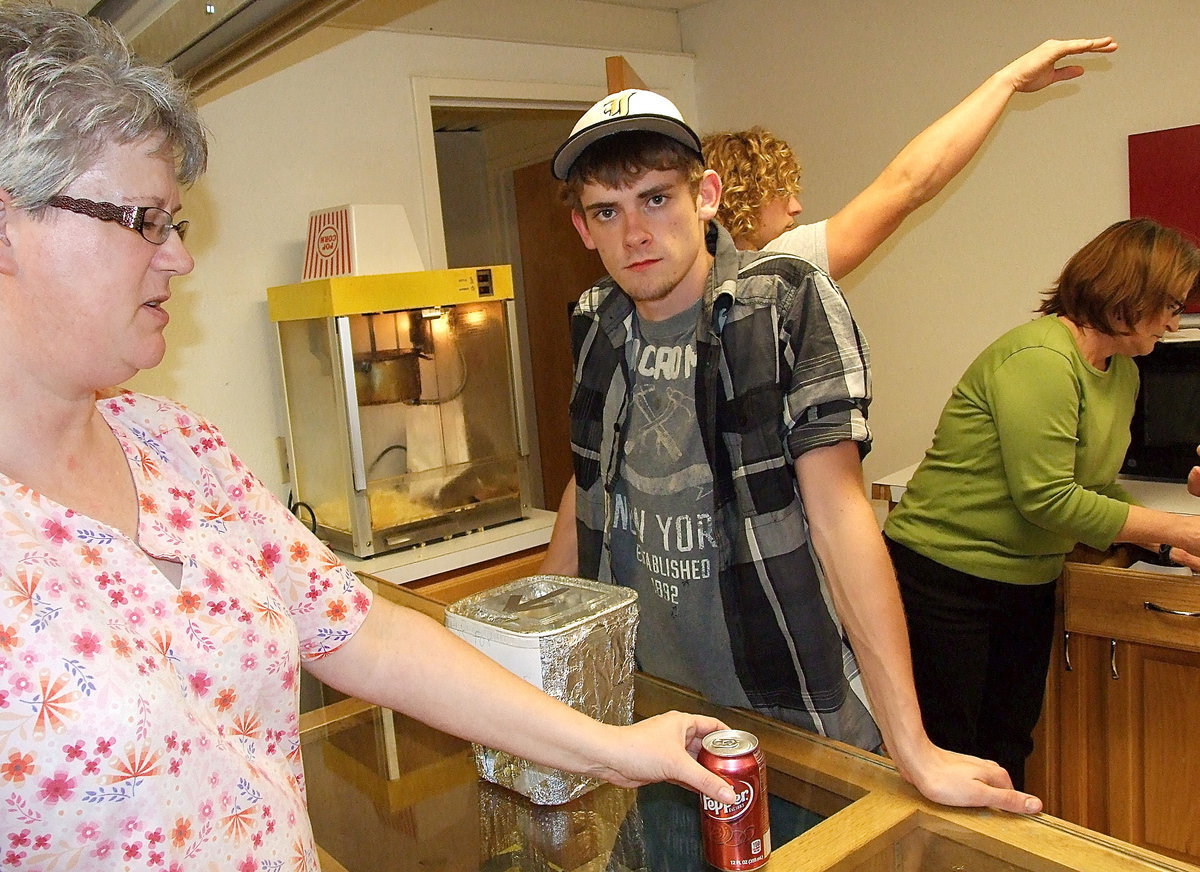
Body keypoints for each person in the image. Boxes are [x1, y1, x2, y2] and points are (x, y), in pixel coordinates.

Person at [0, 6, 737, 868]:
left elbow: (365, 634)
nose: (178, 259)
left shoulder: (178, 450)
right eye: (143, 221)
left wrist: (612, 747)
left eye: (177, 223)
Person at [542, 88, 1040, 814]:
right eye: (607, 212)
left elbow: (840, 518)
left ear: (705, 195)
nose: (634, 234)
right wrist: (529, 657)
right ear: (584, 229)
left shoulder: (780, 304)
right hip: (655, 725)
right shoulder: (595, 320)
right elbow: (587, 487)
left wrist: (913, 745)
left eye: (655, 199)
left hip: (794, 729)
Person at [882, 218, 1200, 791]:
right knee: (951, 751)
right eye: (1168, 305)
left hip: (1026, 579)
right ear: (1127, 296)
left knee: (1008, 743)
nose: (1175, 322)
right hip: (944, 579)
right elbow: (1047, 500)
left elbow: (1091, 484)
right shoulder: (1042, 358)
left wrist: (1162, 538)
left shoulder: (1121, 372)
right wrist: (1178, 528)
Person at [703, 38, 1118, 277]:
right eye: (779, 191)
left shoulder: (771, 266)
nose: (797, 206)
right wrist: (1005, 82)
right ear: (738, 193)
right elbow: (909, 184)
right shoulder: (771, 265)